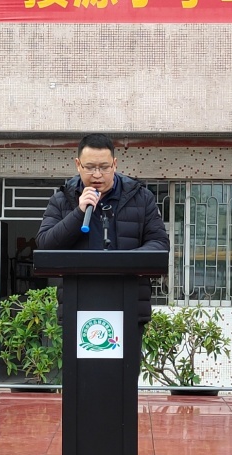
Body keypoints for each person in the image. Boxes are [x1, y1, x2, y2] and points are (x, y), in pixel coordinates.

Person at [36, 133, 169, 325]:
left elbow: (159, 243)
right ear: (78, 165)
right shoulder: (62, 199)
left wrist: (123, 262)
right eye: (90, 167)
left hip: (129, 302)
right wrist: (79, 213)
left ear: (114, 164)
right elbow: (45, 245)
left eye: (104, 167)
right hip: (78, 302)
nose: (97, 174)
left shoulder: (141, 197)